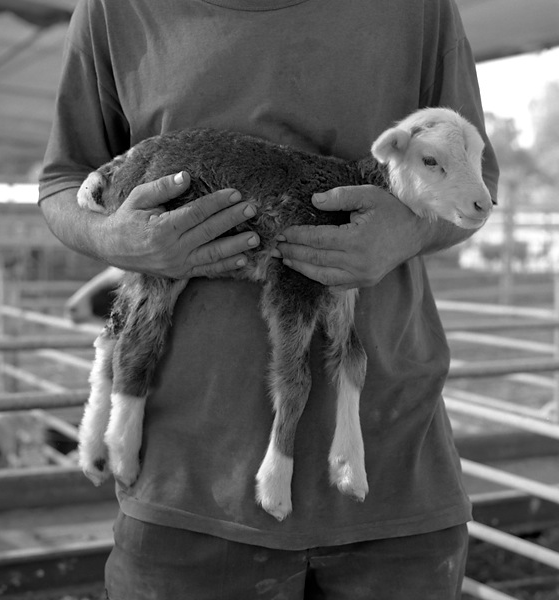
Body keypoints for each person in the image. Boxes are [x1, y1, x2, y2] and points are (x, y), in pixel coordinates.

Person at [38, 1, 499, 598]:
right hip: (185, 479)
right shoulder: (115, 11)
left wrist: (407, 231)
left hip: (395, 467)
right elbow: (62, 179)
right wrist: (115, 237)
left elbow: (478, 184)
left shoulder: (420, 9)